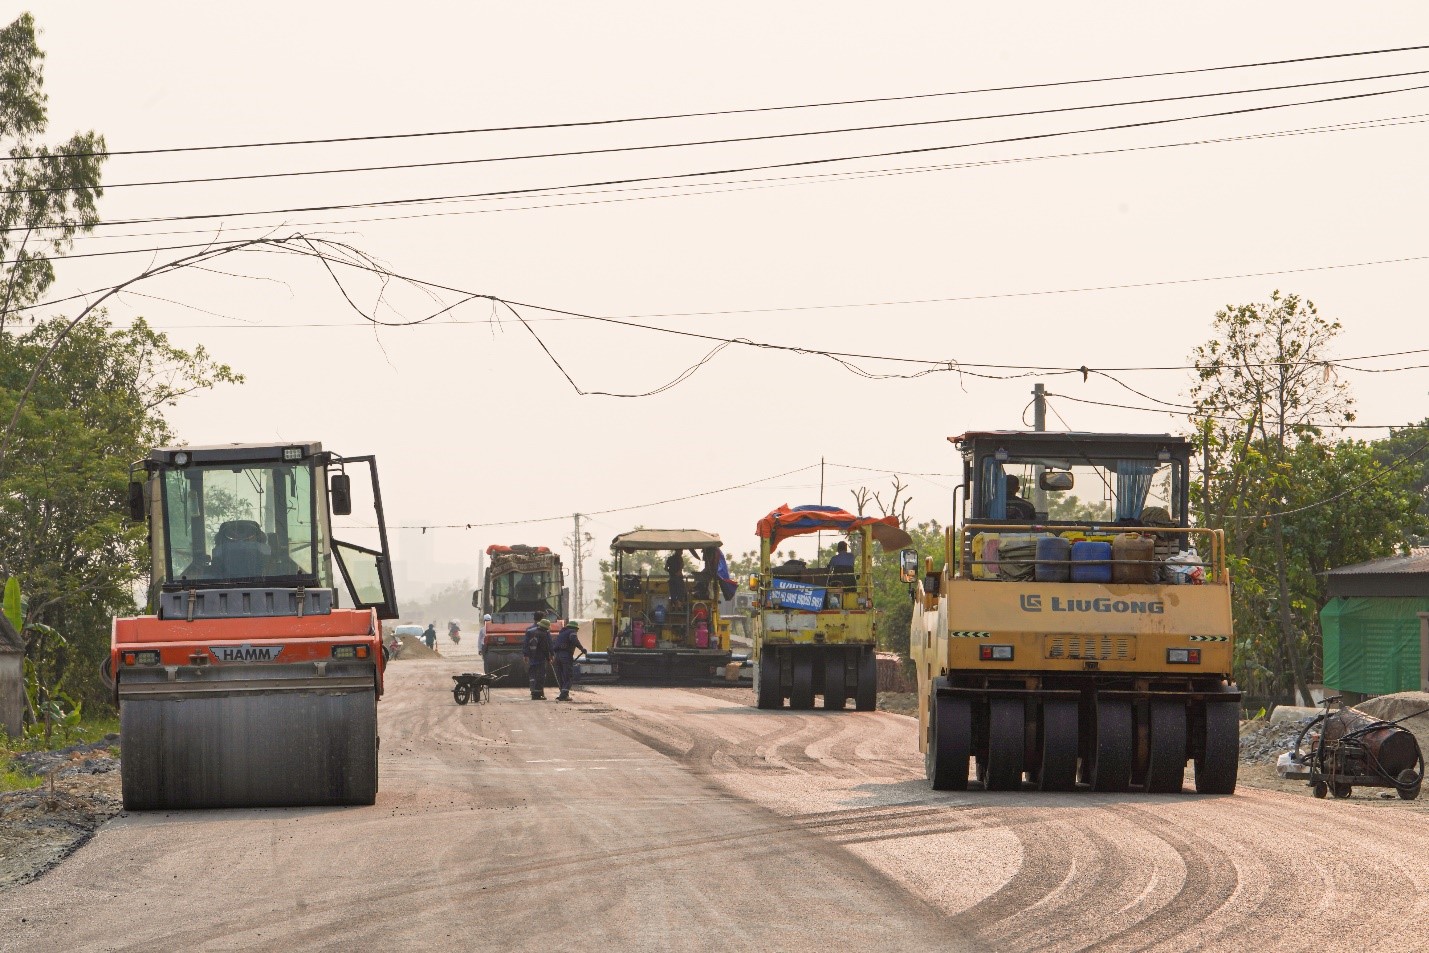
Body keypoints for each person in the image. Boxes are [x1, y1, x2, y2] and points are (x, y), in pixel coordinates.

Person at [551, 620, 587, 701]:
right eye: (577, 629)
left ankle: (562, 693)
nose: (577, 631)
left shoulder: (561, 633)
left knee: (561, 675)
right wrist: (582, 649)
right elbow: (573, 639)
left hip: (557, 656)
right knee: (568, 675)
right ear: (574, 628)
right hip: (565, 655)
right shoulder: (572, 632)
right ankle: (564, 695)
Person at [522, 613, 553, 700]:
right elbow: (547, 645)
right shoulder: (545, 632)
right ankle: (538, 693)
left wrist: (525, 654)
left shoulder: (529, 630)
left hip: (532, 656)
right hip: (540, 657)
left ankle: (533, 691)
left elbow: (525, 643)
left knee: (532, 674)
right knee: (541, 675)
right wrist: (550, 655)